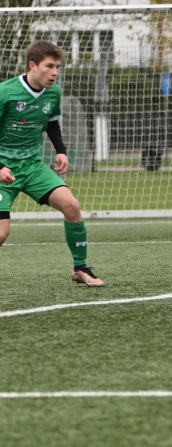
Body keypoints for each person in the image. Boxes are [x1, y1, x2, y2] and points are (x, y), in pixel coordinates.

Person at [0, 41, 105, 287]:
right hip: (3, 168)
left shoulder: (54, 92)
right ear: (32, 65)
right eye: (50, 66)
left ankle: (80, 268)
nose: (55, 72)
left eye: (57, 66)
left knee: (71, 206)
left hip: (33, 167)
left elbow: (52, 123)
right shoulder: (5, 92)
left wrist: (61, 151)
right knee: (2, 234)